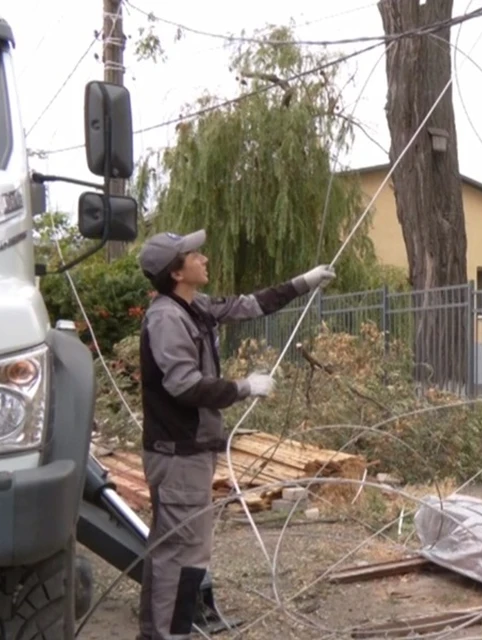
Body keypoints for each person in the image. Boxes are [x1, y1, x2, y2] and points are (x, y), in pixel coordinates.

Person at [135, 229, 336, 639]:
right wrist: (245, 387)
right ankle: (167, 634)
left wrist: (306, 281)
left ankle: (162, 632)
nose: (204, 258)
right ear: (177, 272)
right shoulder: (167, 319)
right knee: (182, 553)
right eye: (194, 254)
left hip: (189, 451)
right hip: (178, 454)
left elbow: (251, 305)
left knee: (177, 550)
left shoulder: (195, 307)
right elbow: (184, 385)